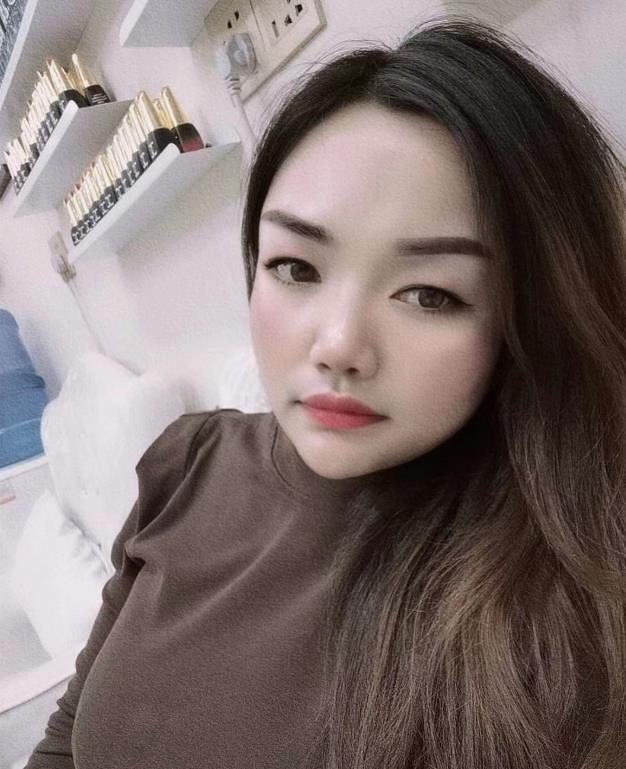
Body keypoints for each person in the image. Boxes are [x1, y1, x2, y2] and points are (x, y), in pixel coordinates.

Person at [25, 14, 626, 769]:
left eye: (430, 294)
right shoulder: (188, 461)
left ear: (528, 318)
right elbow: (70, 732)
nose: (338, 345)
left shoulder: (571, 603)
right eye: (297, 268)